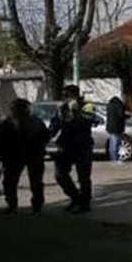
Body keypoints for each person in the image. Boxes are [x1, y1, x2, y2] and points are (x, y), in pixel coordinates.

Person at [51, 85, 98, 213]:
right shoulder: (62, 108)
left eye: (68, 95)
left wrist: (77, 112)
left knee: (83, 176)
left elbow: (92, 120)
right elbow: (54, 125)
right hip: (66, 146)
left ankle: (84, 204)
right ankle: (75, 197)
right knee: (60, 174)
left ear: (75, 95)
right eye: (64, 96)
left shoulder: (86, 106)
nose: (65, 98)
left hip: (83, 146)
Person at [0, 99, 50, 214]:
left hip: (27, 155)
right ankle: (33, 206)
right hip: (21, 156)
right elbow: (1, 140)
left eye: (14, 109)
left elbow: (45, 137)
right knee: (13, 181)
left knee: (28, 181)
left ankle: (17, 205)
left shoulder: (11, 122)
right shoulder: (11, 122)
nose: (13, 111)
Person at [106, 96, 128, 165]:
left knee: (112, 144)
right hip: (117, 127)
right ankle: (116, 159)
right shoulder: (119, 105)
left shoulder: (109, 106)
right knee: (116, 143)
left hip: (110, 127)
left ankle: (113, 158)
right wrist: (127, 116)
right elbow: (121, 115)